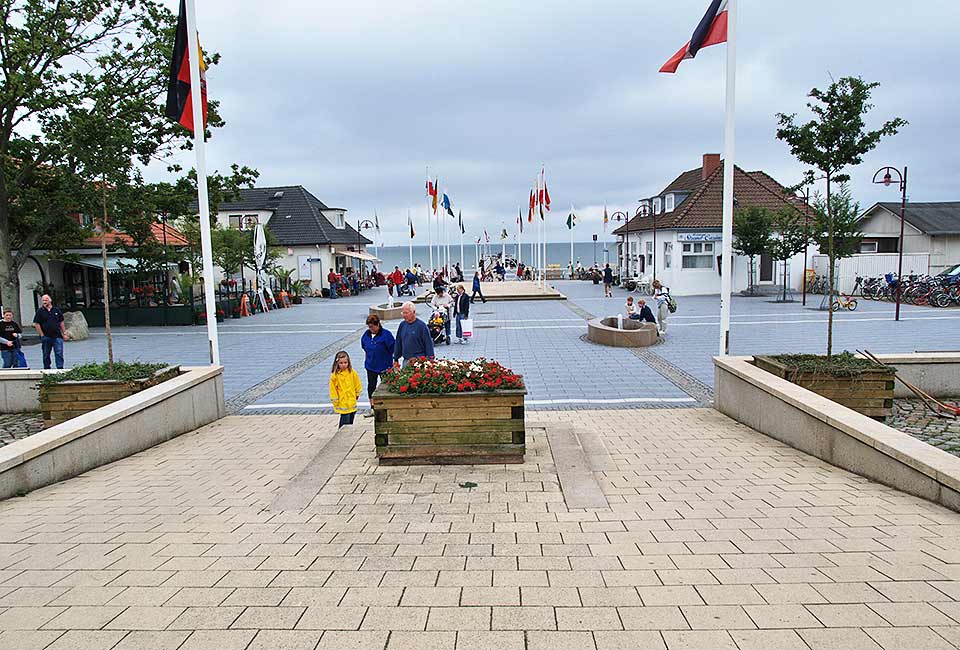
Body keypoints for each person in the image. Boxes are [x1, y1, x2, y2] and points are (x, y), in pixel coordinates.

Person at [360, 315, 395, 414]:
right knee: (371, 386)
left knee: (387, 386)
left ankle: (388, 407)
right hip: (371, 366)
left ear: (378, 324)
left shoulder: (386, 335)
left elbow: (393, 349)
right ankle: (373, 407)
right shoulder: (366, 335)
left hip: (385, 366)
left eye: (372, 327)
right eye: (369, 327)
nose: (371, 329)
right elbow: (364, 347)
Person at [33, 294, 69, 369]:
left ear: (50, 300)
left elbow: (61, 322)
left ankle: (60, 368)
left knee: (59, 352)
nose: (44, 302)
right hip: (46, 336)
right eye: (43, 300)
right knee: (46, 354)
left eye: (46, 300)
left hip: (57, 336)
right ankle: (47, 368)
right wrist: (42, 335)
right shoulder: (40, 311)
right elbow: (36, 323)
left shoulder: (56, 310)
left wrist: (64, 333)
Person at [393, 302, 434, 366]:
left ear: (413, 312)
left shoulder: (422, 326)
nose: (404, 315)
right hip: (406, 360)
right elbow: (398, 342)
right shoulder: (402, 325)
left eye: (406, 313)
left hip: (419, 361)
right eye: (403, 313)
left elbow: (428, 344)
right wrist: (396, 358)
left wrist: (430, 360)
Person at [329, 350, 362, 428]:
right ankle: (341, 435)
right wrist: (335, 400)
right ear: (337, 363)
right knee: (345, 422)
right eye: (341, 363)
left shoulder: (352, 372)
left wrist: (357, 393)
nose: (343, 365)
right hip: (343, 402)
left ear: (348, 363)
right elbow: (333, 389)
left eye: (345, 363)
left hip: (352, 401)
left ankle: (348, 434)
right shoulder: (335, 376)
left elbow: (357, 383)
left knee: (351, 420)